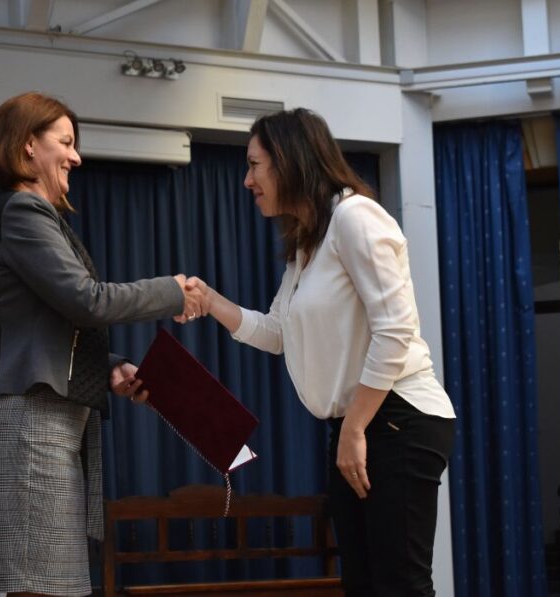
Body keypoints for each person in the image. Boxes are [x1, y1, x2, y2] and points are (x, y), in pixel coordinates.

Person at [182, 108, 456, 596]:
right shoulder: (308, 243)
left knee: (400, 585)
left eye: (254, 165)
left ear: (289, 161)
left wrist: (354, 428)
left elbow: (395, 330)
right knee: (363, 585)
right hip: (358, 423)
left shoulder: (355, 217)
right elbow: (278, 333)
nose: (248, 181)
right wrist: (211, 301)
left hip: (398, 417)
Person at [0, 91, 205, 597]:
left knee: (53, 583)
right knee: (41, 584)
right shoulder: (23, 211)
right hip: (31, 421)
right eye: (65, 142)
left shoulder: (37, 215)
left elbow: (56, 322)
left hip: (48, 419)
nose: (76, 157)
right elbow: (87, 301)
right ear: (28, 145)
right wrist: (172, 291)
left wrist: (109, 367)